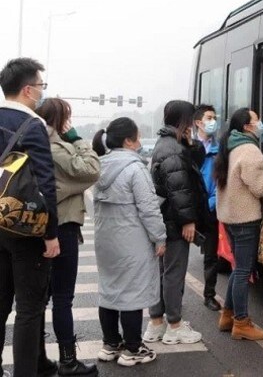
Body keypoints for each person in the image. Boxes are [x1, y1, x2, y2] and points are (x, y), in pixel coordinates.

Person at [0, 58, 61, 377]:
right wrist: (50, 233)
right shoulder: (32, 124)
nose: (41, 92)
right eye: (40, 85)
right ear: (27, 89)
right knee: (29, 309)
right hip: (25, 228)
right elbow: (44, 182)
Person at [92, 118, 166, 367]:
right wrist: (159, 237)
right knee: (132, 292)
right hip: (131, 238)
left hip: (106, 239)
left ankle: (110, 344)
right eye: (137, 137)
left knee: (109, 290)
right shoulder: (136, 169)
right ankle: (133, 348)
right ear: (128, 141)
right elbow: (149, 209)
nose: (139, 142)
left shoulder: (99, 167)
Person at [35, 98, 100, 376]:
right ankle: (68, 361)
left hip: (36, 227)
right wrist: (78, 140)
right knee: (62, 298)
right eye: (67, 117)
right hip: (60, 227)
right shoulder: (58, 147)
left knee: (37, 300)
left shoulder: (33, 143)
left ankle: (37, 359)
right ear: (60, 118)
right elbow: (91, 171)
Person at [144, 100, 207, 345]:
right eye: (191, 119)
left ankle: (157, 322)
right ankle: (175, 325)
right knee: (173, 273)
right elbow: (179, 189)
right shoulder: (172, 149)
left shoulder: (169, 143)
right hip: (174, 220)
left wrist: (192, 144)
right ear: (184, 120)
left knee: (163, 272)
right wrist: (188, 221)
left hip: (166, 218)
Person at [214, 108, 263, 341]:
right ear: (246, 127)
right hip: (245, 219)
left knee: (237, 267)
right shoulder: (250, 150)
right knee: (243, 271)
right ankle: (241, 322)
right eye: (256, 120)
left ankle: (228, 315)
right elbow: (261, 188)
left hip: (229, 217)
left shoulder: (229, 146)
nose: (260, 124)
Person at [193, 104, 221, 311]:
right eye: (209, 117)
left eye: (214, 117)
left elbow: (220, 181)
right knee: (176, 256)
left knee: (211, 256)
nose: (213, 121)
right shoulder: (189, 148)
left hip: (210, 209)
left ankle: (209, 295)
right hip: (189, 210)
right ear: (198, 122)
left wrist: (210, 204)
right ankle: (172, 300)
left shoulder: (219, 150)